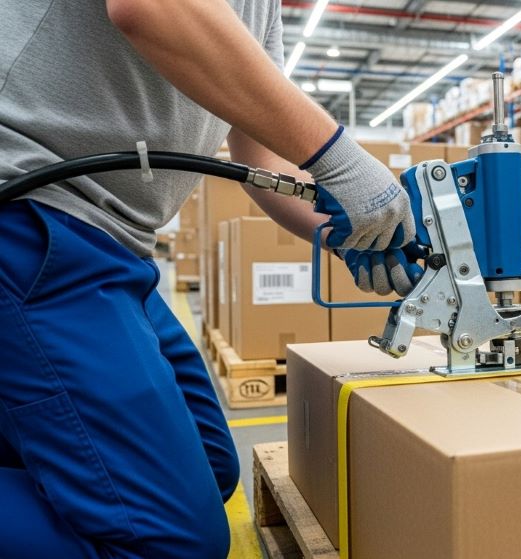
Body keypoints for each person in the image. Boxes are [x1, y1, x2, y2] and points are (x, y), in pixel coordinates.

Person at [0, 1, 419, 556]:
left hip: (114, 249)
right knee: (168, 542)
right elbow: (151, 7)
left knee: (212, 467)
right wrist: (339, 155)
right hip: (31, 218)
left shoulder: (261, 7)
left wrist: (344, 233)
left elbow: (258, 147)